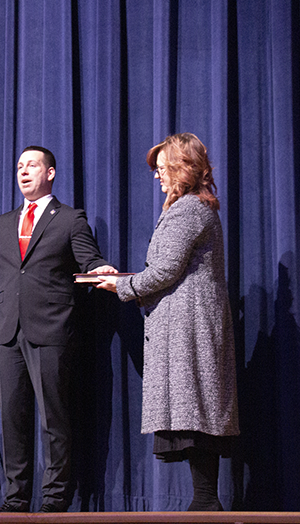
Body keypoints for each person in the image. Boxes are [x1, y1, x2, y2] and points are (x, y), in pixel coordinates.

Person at [0, 146, 116, 513]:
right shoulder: (2, 224)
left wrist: (100, 268)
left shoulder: (70, 219)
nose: (23, 171)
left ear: (50, 173)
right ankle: (16, 499)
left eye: (32, 165)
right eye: (19, 166)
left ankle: (54, 500)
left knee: (54, 419)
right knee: (12, 421)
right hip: (8, 335)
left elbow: (90, 258)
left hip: (52, 331)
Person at [96, 133, 239, 511]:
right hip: (185, 322)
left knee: (197, 410)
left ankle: (206, 502)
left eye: (162, 170)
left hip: (189, 325)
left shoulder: (189, 210)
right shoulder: (189, 208)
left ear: (182, 169)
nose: (157, 177)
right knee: (195, 408)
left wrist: (120, 285)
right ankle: (204, 500)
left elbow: (164, 272)